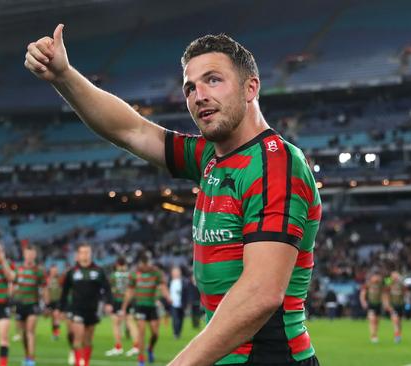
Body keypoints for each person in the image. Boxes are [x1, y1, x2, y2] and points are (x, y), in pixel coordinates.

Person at [25, 26, 321, 366]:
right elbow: (131, 130)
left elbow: (262, 293)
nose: (199, 95)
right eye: (190, 88)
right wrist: (63, 75)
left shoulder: (275, 164)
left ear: (250, 87)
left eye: (213, 80)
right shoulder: (210, 156)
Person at [59, 244, 113, 366]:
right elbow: (65, 291)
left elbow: (107, 288)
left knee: (88, 340)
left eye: (87, 252)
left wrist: (109, 303)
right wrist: (61, 309)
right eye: (82, 252)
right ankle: (79, 363)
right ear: (78, 255)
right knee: (78, 337)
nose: (85, 255)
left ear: (91, 254)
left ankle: (86, 363)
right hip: (77, 309)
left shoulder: (98, 271)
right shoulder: (72, 272)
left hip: (92, 309)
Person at [121, 252, 172, 365]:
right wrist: (124, 306)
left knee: (155, 333)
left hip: (152, 306)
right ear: (140, 263)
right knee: (141, 332)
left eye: (147, 263)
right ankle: (141, 358)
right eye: (143, 263)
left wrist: (168, 297)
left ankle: (150, 349)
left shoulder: (156, 273)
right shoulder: (134, 274)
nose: (145, 266)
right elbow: (130, 291)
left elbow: (163, 286)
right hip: (140, 306)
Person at [13, 244, 46, 366]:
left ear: (35, 255)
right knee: (23, 334)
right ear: (24, 255)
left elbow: (44, 288)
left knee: (30, 331)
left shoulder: (39, 271)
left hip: (33, 304)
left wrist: (47, 305)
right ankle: (26, 355)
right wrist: (11, 300)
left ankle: (31, 359)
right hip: (20, 304)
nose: (29, 256)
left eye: (31, 254)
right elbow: (14, 286)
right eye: (27, 254)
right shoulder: (18, 270)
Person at [105, 256, 139, 357]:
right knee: (130, 323)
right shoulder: (131, 275)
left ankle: (118, 347)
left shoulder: (113, 276)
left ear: (117, 264)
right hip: (129, 301)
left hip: (117, 301)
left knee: (116, 324)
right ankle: (136, 346)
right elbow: (134, 288)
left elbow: (109, 289)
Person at [360, 272, 384, 343]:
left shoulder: (381, 285)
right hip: (371, 304)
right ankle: (373, 335)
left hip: (378, 304)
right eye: (375, 277)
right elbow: (362, 294)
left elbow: (384, 294)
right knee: (372, 320)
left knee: (377, 321)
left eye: (377, 277)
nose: (376, 278)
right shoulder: (368, 285)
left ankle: (375, 334)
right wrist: (363, 302)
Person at [384, 271, 406, 343]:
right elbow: (386, 294)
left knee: (399, 321)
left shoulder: (401, 285)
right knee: (395, 320)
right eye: (394, 276)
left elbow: (405, 292)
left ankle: (399, 334)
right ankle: (396, 335)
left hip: (400, 305)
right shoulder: (389, 284)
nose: (395, 278)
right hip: (393, 305)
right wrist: (387, 304)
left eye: (396, 276)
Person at [44, 264, 62, 341]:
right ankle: (54, 332)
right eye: (53, 270)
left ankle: (56, 334)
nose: (54, 272)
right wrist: (46, 301)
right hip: (50, 301)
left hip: (58, 301)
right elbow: (45, 290)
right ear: (51, 271)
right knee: (52, 318)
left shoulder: (60, 279)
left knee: (56, 315)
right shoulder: (47, 279)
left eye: (56, 270)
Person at [169, 266, 186, 339]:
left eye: (177, 272)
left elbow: (186, 292)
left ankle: (179, 332)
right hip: (173, 304)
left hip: (181, 303)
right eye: (174, 272)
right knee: (175, 319)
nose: (176, 273)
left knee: (181, 319)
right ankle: (175, 333)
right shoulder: (169, 282)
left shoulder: (183, 282)